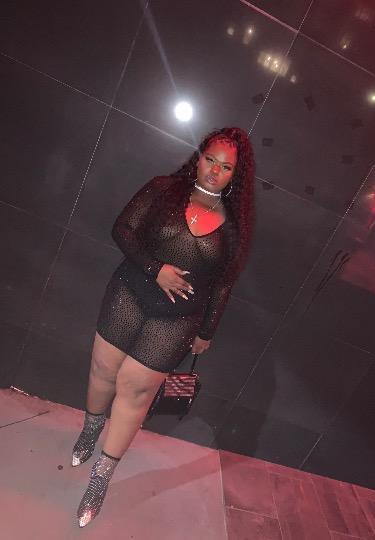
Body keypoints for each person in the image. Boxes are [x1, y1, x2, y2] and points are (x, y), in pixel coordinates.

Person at [72, 127, 255, 527]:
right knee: (103, 370)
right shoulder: (164, 188)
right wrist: (156, 269)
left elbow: (223, 284)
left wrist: (207, 331)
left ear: (235, 176)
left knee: (136, 391)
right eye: (210, 160)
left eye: (225, 167)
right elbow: (122, 229)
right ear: (199, 157)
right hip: (130, 292)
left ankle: (101, 475)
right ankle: (91, 427)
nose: (214, 171)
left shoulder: (235, 227)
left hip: (178, 319)